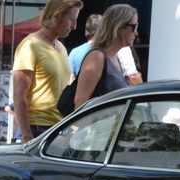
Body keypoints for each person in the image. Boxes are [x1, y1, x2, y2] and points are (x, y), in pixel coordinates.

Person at [8, 0, 79, 144]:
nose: (74, 26)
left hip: (61, 128)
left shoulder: (61, 48)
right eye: (72, 19)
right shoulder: (30, 45)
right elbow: (19, 94)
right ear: (57, 16)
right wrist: (27, 137)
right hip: (38, 128)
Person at [74, 5, 138, 108]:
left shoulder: (115, 58)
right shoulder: (97, 57)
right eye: (134, 27)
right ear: (119, 28)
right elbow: (80, 101)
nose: (136, 33)